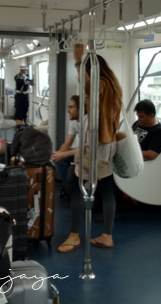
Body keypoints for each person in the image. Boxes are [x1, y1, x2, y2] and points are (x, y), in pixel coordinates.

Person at [57, 53, 122, 252]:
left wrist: (81, 61)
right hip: (107, 142)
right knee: (106, 187)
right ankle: (107, 235)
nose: (77, 76)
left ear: (90, 72)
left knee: (77, 188)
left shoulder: (99, 83)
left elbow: (88, 86)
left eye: (79, 71)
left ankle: (75, 235)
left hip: (96, 145)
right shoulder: (112, 84)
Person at [52, 95, 82, 197]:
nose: (68, 110)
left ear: (80, 109)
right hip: (83, 150)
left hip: (91, 152)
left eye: (71, 107)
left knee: (63, 157)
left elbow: (86, 148)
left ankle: (73, 191)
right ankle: (69, 190)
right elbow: (68, 143)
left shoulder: (87, 122)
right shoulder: (73, 122)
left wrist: (63, 154)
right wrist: (58, 154)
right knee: (61, 160)